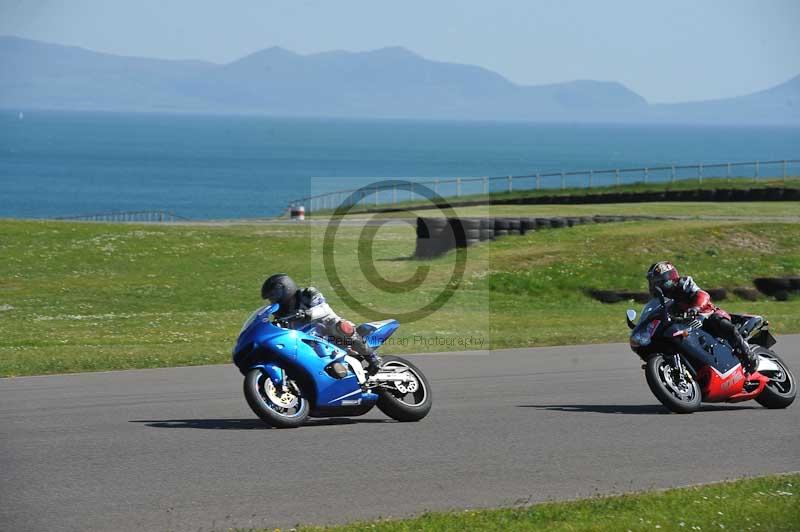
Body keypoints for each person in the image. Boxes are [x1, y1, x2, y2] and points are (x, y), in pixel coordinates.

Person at [646, 261, 758, 374]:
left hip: (706, 314)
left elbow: (702, 295)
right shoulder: (662, 300)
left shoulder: (684, 284)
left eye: (661, 282)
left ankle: (748, 355)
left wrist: (695, 308)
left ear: (671, 277)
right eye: (655, 284)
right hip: (687, 325)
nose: (659, 286)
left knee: (721, 323)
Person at [260, 273, 383, 374]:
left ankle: (373, 358)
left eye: (274, 295)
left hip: (327, 328)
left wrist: (307, 314)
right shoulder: (279, 314)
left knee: (342, 327)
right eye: (271, 297)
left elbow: (324, 308)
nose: (273, 300)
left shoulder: (307, 294)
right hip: (309, 340)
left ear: (286, 287)